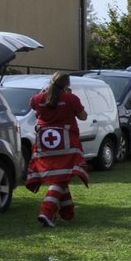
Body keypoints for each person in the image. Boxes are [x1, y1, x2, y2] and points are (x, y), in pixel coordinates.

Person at [25, 72, 88, 228]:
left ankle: (68, 214)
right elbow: (83, 116)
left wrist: (44, 93)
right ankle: (46, 212)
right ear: (67, 83)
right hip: (66, 144)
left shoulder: (38, 98)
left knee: (61, 178)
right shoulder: (70, 98)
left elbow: (33, 104)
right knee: (61, 179)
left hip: (44, 145)